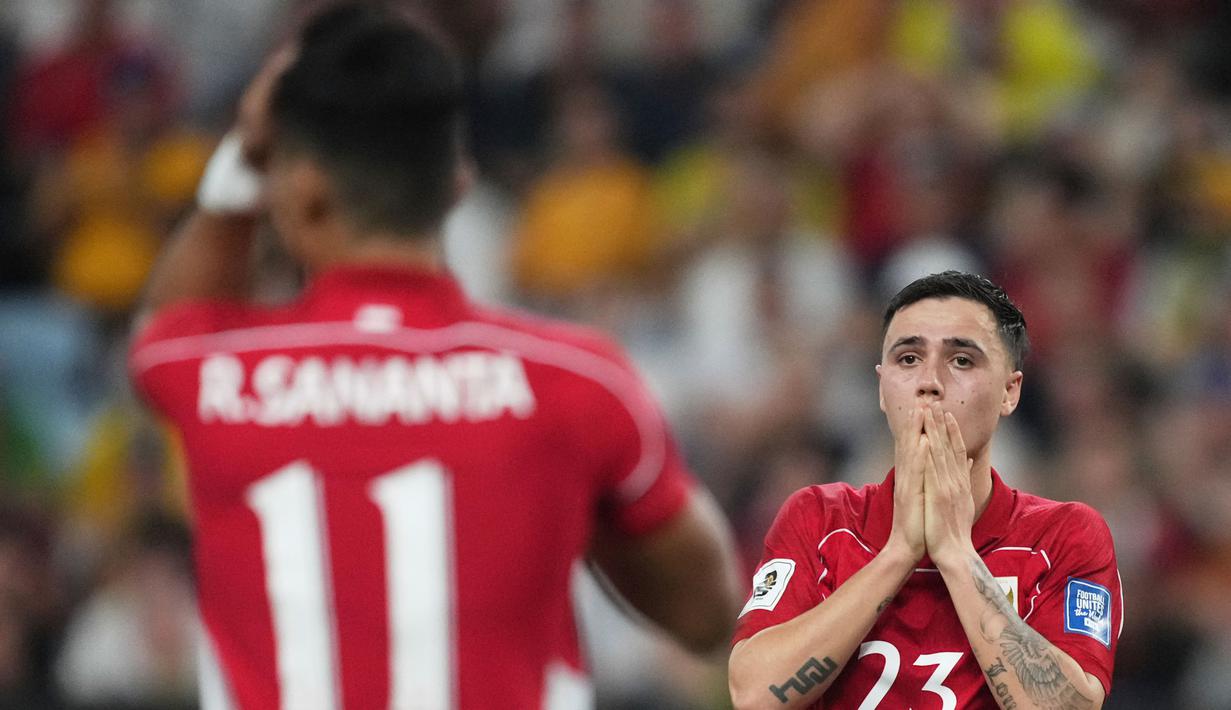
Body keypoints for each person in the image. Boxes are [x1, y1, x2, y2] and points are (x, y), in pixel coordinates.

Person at [127, 4, 743, 709]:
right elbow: (707, 616)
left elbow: (163, 326)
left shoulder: (213, 372)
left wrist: (245, 155)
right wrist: (573, 490)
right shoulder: (577, 382)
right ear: (458, 180)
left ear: (302, 189)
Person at [729, 271, 1122, 709]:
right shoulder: (819, 519)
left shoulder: (1064, 536)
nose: (929, 381)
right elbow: (753, 696)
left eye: (962, 360)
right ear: (882, 388)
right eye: (909, 358)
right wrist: (899, 552)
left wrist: (956, 553)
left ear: (1010, 392)